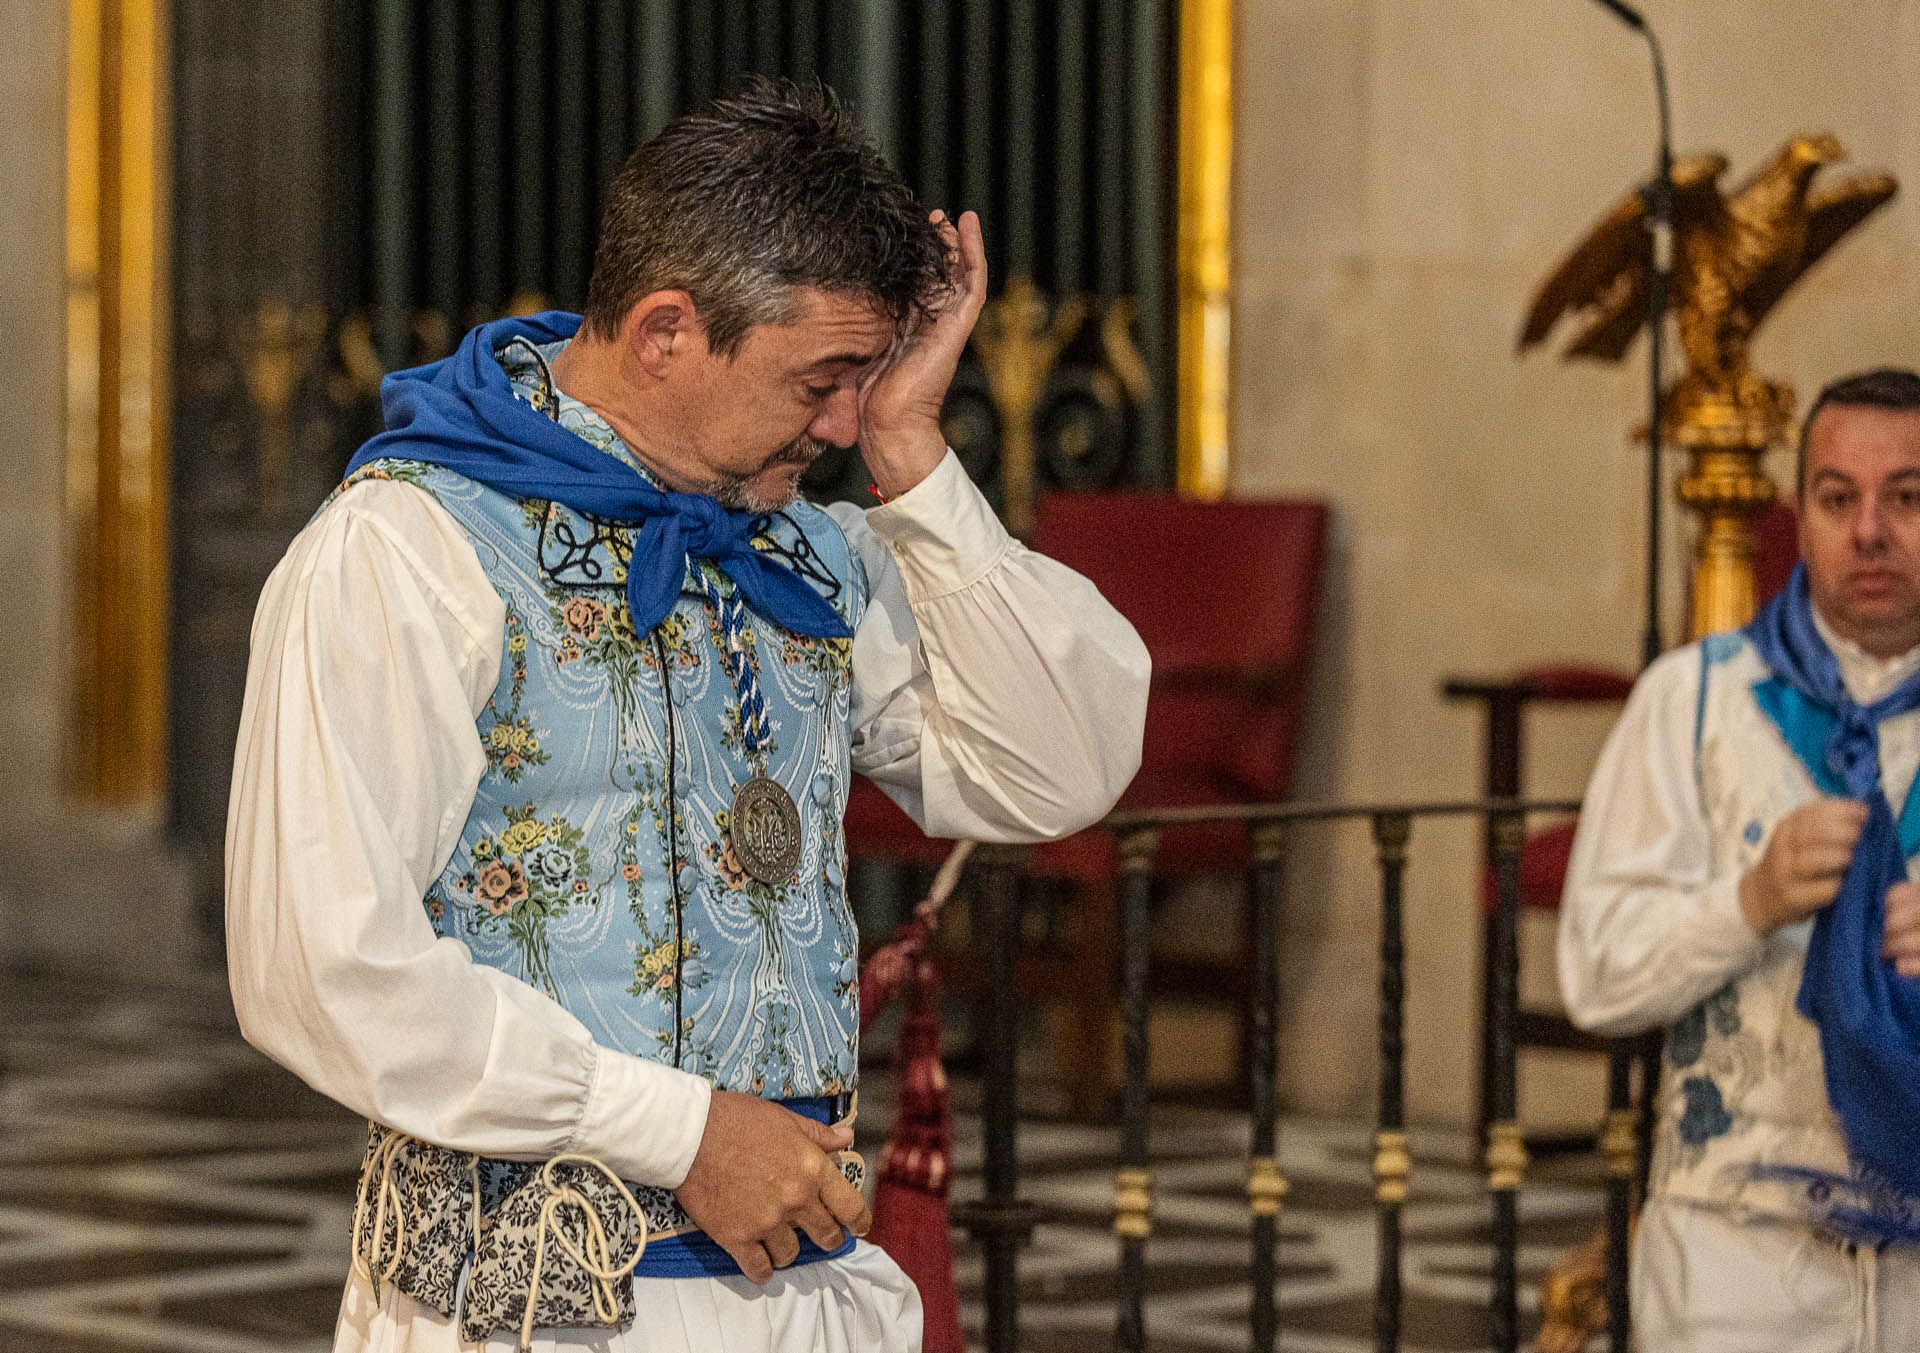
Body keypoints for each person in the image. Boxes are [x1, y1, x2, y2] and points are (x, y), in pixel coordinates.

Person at [224, 78, 1149, 1353]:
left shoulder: (810, 552)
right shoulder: (410, 549)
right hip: (536, 1317)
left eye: (863, 382)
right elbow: (320, 969)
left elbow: (1060, 768)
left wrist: (918, 458)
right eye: (820, 381)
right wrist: (681, 1130)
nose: (839, 427)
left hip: (808, 1293)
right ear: (666, 331)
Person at [1560, 368, 1920, 1351]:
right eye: (1838, 498)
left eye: (1909, 497)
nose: (1871, 532)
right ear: (1798, 515)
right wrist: (1747, 902)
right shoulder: (1694, 702)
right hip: (1737, 1256)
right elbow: (1596, 978)